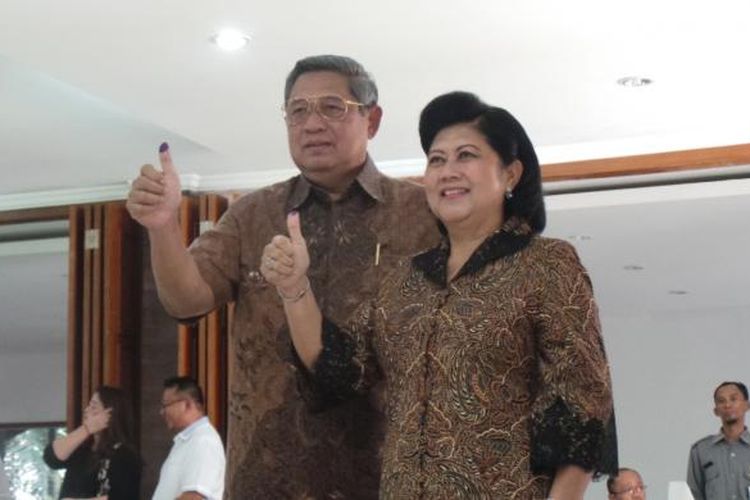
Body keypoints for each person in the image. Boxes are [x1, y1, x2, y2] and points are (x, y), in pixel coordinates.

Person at [262, 90, 619, 498]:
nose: (448, 171)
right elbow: (338, 368)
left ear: (511, 174)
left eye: (466, 155)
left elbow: (583, 403)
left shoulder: (546, 264)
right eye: (437, 159)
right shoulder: (404, 280)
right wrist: (295, 289)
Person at [126, 55, 438, 497]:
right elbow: (186, 298)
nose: (311, 123)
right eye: (298, 110)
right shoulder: (252, 215)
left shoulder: (422, 214)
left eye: (332, 107)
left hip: (390, 475)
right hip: (269, 478)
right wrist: (162, 226)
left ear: (372, 120)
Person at [43, 386, 141, 500]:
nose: (86, 410)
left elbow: (122, 497)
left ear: (110, 414)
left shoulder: (124, 455)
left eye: (93, 406)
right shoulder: (83, 450)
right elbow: (51, 458)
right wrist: (86, 429)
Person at [152, 376, 225, 500]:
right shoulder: (188, 440)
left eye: (166, 405)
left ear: (186, 404)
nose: (162, 412)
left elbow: (193, 496)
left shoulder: (203, 441)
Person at [687, 381, 750, 500]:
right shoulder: (701, 451)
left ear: (747, 405)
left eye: (733, 399)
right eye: (721, 401)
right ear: (716, 411)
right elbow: (696, 494)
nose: (727, 405)